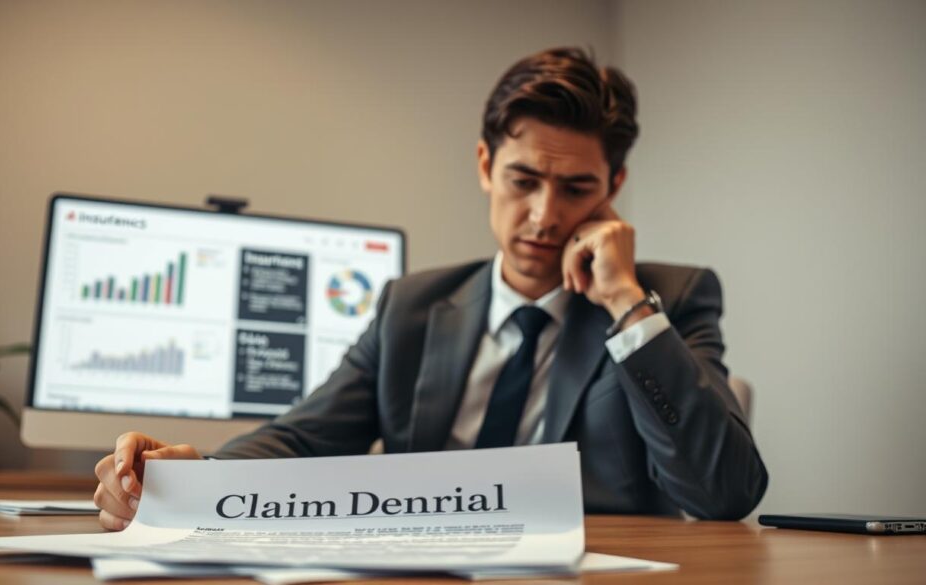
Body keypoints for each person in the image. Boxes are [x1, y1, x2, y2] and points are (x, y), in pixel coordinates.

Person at [93, 47, 768, 531]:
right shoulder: (411, 307)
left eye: (576, 188)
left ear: (614, 187)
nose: (544, 215)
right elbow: (302, 439)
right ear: (485, 165)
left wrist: (626, 302)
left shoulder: (669, 300)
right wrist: (194, 477)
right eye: (524, 180)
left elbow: (724, 493)